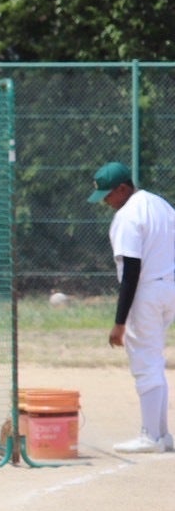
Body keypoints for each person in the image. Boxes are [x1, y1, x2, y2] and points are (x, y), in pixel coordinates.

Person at [89, 161, 175, 453]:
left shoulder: (127, 216)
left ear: (123, 189)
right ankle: (161, 435)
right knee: (154, 360)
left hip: (146, 292)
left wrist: (119, 322)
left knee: (144, 363)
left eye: (108, 195)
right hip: (168, 288)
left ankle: (150, 436)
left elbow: (131, 271)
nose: (106, 202)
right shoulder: (160, 205)